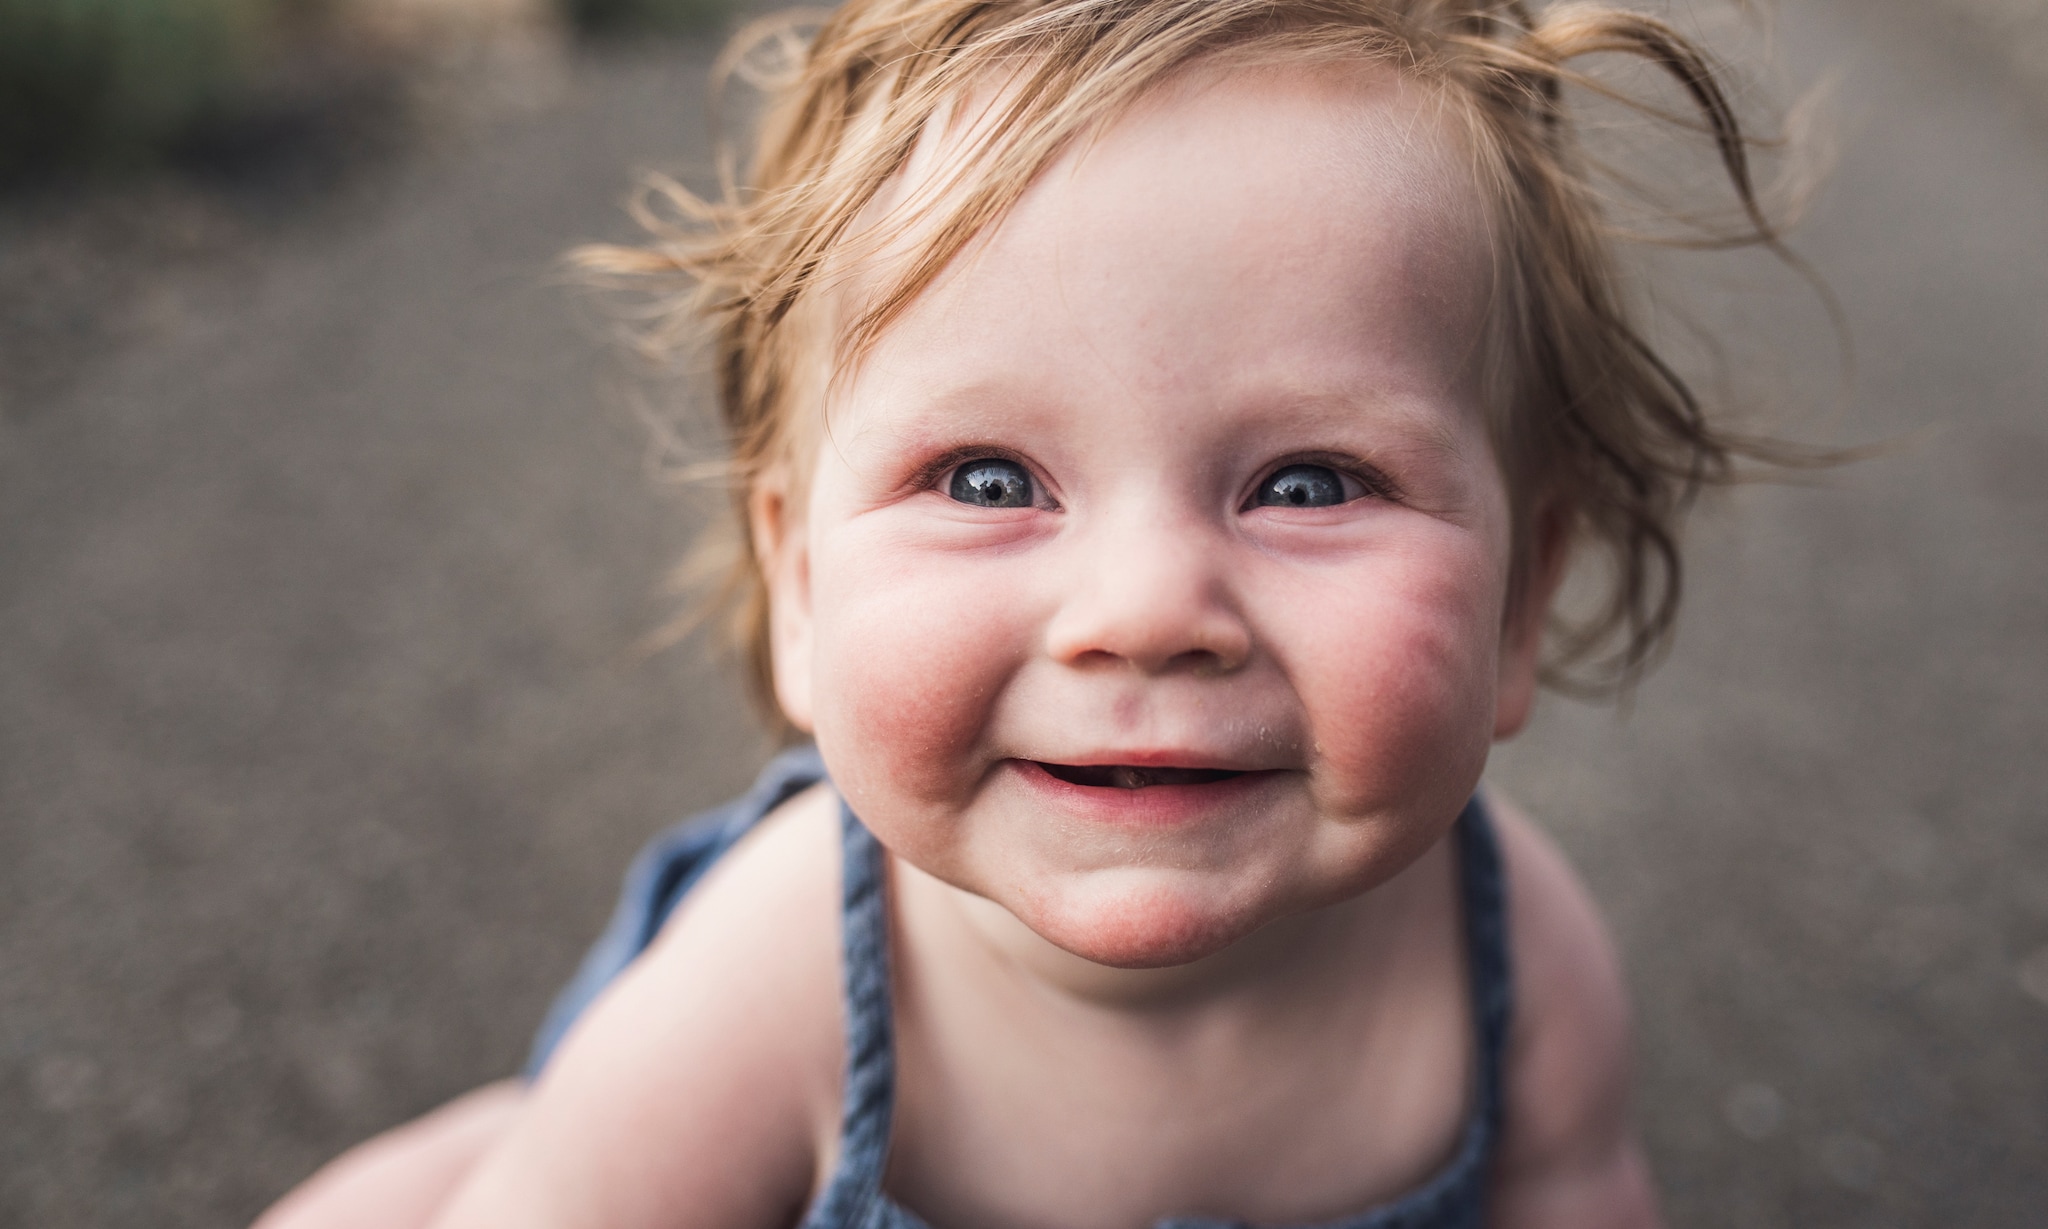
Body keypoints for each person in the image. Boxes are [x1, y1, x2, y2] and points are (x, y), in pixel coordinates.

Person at [255, 2, 1820, 1226]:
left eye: (1310, 481)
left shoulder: (1513, 961)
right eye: (991, 479)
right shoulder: (766, 987)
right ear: (801, 588)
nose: (1145, 611)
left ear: (1518, 603)